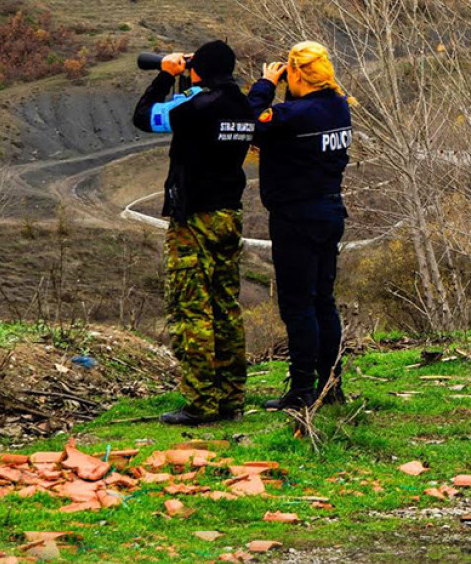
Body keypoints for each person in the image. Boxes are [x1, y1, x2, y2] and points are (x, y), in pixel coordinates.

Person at [132, 40, 255, 425]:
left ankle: (201, 401)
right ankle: (231, 396)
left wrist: (165, 76)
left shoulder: (197, 106)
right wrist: (192, 76)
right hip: (228, 213)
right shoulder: (243, 105)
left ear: (198, 70)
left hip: (194, 218)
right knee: (225, 307)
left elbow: (144, 116)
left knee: (191, 309)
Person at [248, 41, 353, 410]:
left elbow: (250, 122)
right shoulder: (338, 106)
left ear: (295, 73)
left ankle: (302, 390)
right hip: (330, 211)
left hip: (296, 216)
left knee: (298, 304)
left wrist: (265, 85)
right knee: (324, 300)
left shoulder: (295, 114)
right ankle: (331, 384)